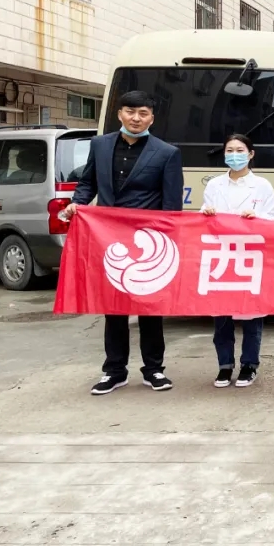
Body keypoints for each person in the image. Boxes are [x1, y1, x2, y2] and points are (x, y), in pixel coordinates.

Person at [61, 90, 184, 396]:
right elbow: (88, 182)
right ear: (120, 114)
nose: (136, 118)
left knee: (149, 308)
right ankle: (114, 371)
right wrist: (78, 203)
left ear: (151, 118)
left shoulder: (167, 153)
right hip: (109, 239)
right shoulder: (100, 145)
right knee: (113, 307)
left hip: (148, 243)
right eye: (130, 112)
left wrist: (168, 242)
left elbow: (171, 205)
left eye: (143, 113)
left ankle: (154, 369)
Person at [200, 134, 274, 388]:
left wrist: (257, 216)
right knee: (221, 317)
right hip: (221, 257)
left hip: (250, 256)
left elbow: (273, 219)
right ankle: (225, 366)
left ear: (251, 154)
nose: (235, 155)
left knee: (251, 317)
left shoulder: (262, 185)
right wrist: (206, 213)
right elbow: (203, 218)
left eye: (240, 150)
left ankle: (249, 365)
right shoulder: (214, 185)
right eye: (230, 150)